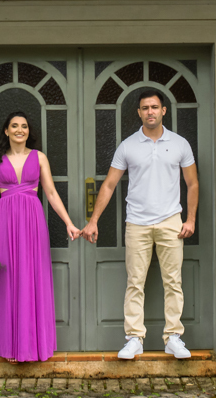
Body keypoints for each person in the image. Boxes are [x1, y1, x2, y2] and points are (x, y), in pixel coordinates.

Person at [80, 88, 197, 360]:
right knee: (135, 282)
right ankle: (134, 338)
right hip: (137, 223)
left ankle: (173, 337)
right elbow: (109, 185)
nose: (150, 112)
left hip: (170, 221)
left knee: (173, 282)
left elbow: (192, 183)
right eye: (145, 108)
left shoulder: (180, 144)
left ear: (163, 110)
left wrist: (190, 219)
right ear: (139, 113)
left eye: (154, 107)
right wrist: (93, 221)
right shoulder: (128, 146)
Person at [0, 111, 81, 362]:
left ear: (28, 131)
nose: (19, 130)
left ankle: (30, 346)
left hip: (32, 222)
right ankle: (10, 346)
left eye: (24, 126)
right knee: (7, 279)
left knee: (32, 276)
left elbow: (51, 193)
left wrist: (68, 222)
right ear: (6, 131)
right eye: (14, 126)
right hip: (4, 223)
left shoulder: (39, 157)